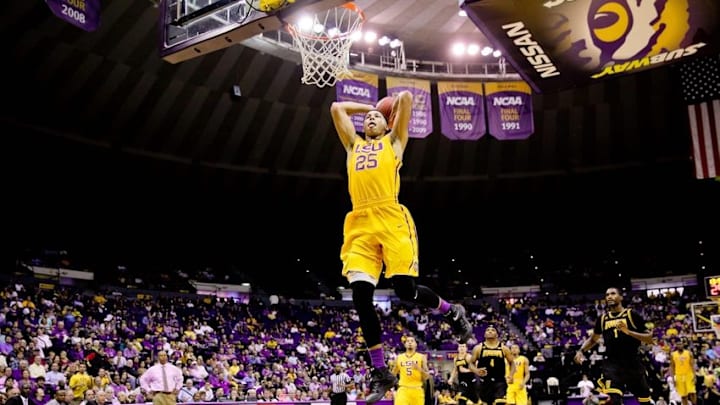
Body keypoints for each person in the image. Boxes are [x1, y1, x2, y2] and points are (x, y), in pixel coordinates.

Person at [330, 92, 473, 404]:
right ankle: (381, 372)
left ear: (387, 124)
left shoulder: (394, 142)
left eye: (376, 118)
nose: (370, 119)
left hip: (391, 217)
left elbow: (407, 97)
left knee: (405, 290)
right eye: (367, 118)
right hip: (360, 221)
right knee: (360, 296)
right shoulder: (353, 145)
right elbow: (337, 107)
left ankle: (451, 311)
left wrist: (389, 110)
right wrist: (370, 107)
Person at [574, 287, 654, 405]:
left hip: (632, 362)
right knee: (614, 399)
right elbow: (593, 339)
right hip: (613, 364)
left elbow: (649, 338)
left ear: (621, 297)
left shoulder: (631, 314)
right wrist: (581, 350)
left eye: (613, 294)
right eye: (607, 295)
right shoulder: (602, 319)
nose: (609, 297)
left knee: (645, 401)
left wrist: (628, 332)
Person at [470, 325, 515, 405]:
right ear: (484, 334)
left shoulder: (504, 348)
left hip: (500, 380)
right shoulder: (478, 348)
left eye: (493, 330)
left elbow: (512, 363)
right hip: (484, 381)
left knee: (500, 402)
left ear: (497, 334)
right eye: (488, 330)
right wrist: (476, 371)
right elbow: (470, 364)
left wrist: (511, 375)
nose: (490, 331)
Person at [391, 336, 429, 405]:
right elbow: (392, 375)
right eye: (408, 341)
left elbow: (427, 376)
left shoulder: (422, 357)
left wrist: (419, 369)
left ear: (416, 344)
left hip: (417, 390)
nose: (410, 343)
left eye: (412, 341)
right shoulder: (399, 358)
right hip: (403, 389)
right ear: (405, 345)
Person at [669, 340, 696, 405]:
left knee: (692, 392)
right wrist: (673, 378)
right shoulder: (673, 354)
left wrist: (694, 376)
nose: (679, 345)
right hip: (679, 376)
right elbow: (672, 367)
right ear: (676, 345)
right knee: (683, 395)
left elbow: (692, 365)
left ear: (683, 345)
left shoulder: (689, 353)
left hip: (688, 374)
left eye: (680, 344)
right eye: (678, 344)